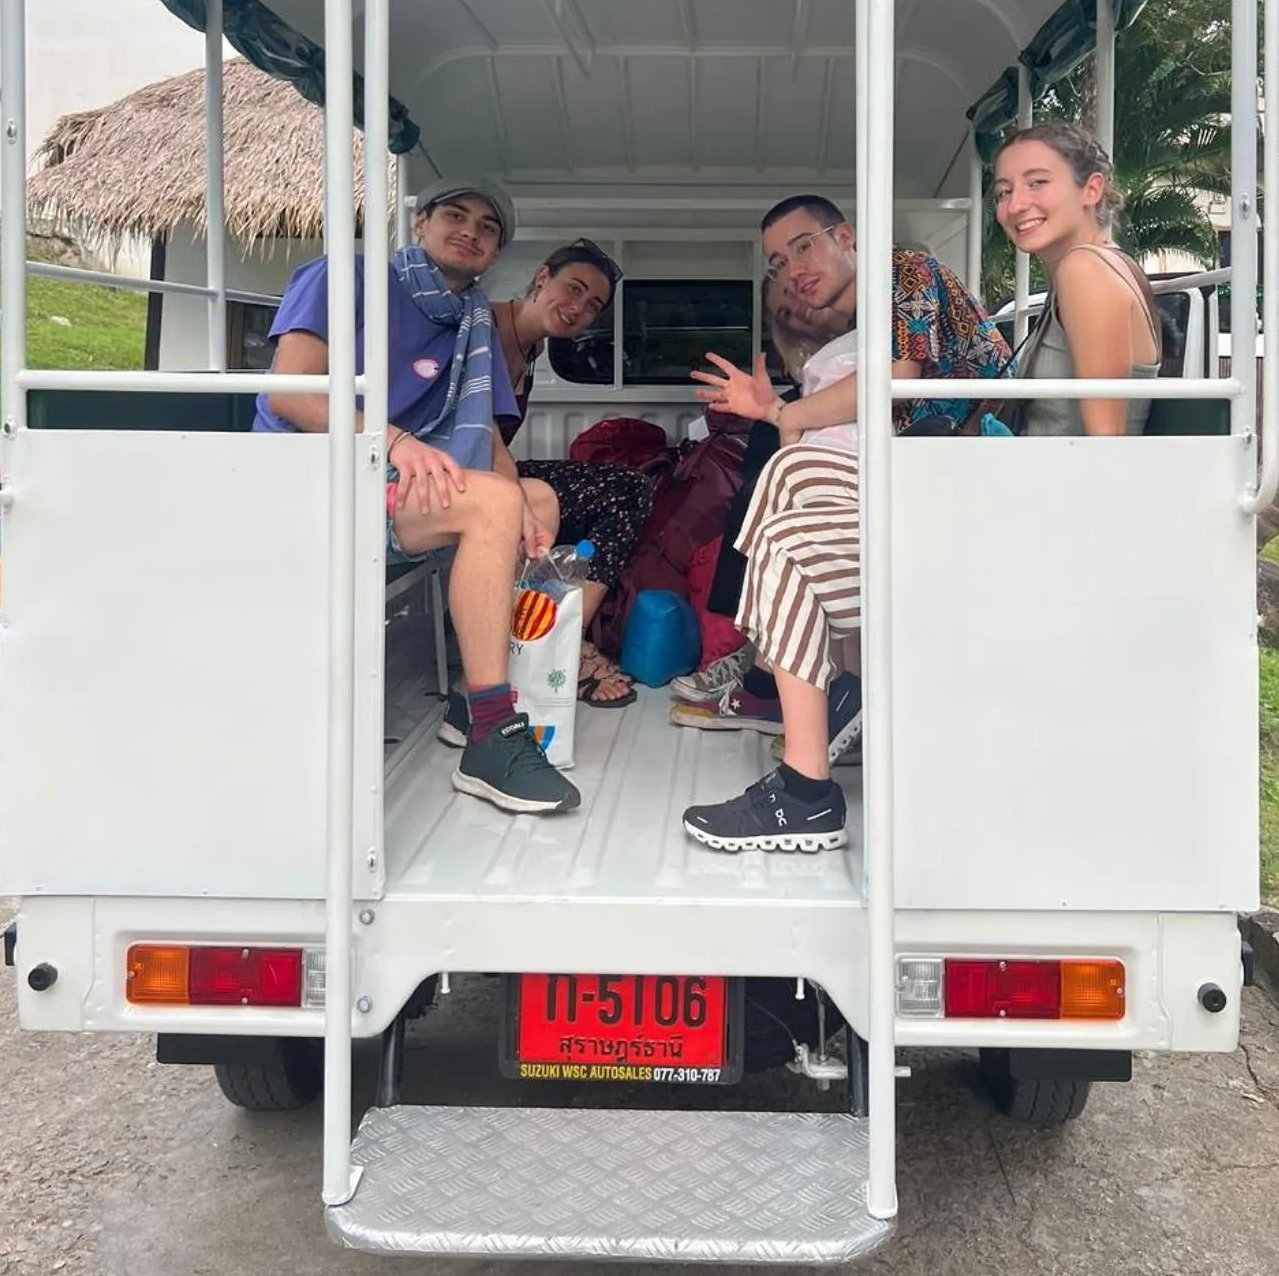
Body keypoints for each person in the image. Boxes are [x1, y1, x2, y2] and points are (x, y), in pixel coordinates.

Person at [678, 197, 1009, 853]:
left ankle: (802, 773)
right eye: (778, 261)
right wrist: (783, 414)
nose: (792, 268)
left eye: (803, 246)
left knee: (788, 498)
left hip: (972, 473)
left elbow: (895, 382)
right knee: (786, 489)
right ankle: (834, 684)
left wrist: (781, 412)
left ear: (846, 237)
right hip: (918, 472)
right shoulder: (862, 316)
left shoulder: (908, 271)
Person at [255, 178, 580, 819]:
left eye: (488, 228)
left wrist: (524, 512)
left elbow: (483, 433)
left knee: (533, 499)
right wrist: (396, 441)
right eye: (455, 215)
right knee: (491, 504)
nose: (471, 231)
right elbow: (286, 394)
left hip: (397, 481)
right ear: (418, 224)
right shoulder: (344, 277)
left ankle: (470, 697)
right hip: (317, 480)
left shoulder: (473, 319)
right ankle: (491, 736)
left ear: (495, 255)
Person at [442, 238, 653, 719]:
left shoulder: (533, 349)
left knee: (628, 488)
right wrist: (512, 491)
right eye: (572, 288)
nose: (579, 307)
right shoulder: (485, 325)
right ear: (541, 279)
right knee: (539, 500)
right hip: (452, 471)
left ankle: (564, 633)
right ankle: (556, 644)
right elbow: (477, 430)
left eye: (593, 304)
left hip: (490, 471)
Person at [670, 273, 852, 709]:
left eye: (797, 294)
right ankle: (758, 648)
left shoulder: (873, 339)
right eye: (785, 309)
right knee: (760, 480)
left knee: (770, 478)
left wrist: (782, 414)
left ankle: (762, 661)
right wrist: (777, 414)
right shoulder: (808, 363)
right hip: (813, 438)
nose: (798, 309)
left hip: (859, 461)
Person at [992, 125, 1161, 436]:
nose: (1014, 205)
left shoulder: (1084, 270)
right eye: (1004, 192)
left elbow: (1105, 439)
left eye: (1037, 183)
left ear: (1092, 190)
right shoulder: (1099, 263)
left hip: (1063, 482)